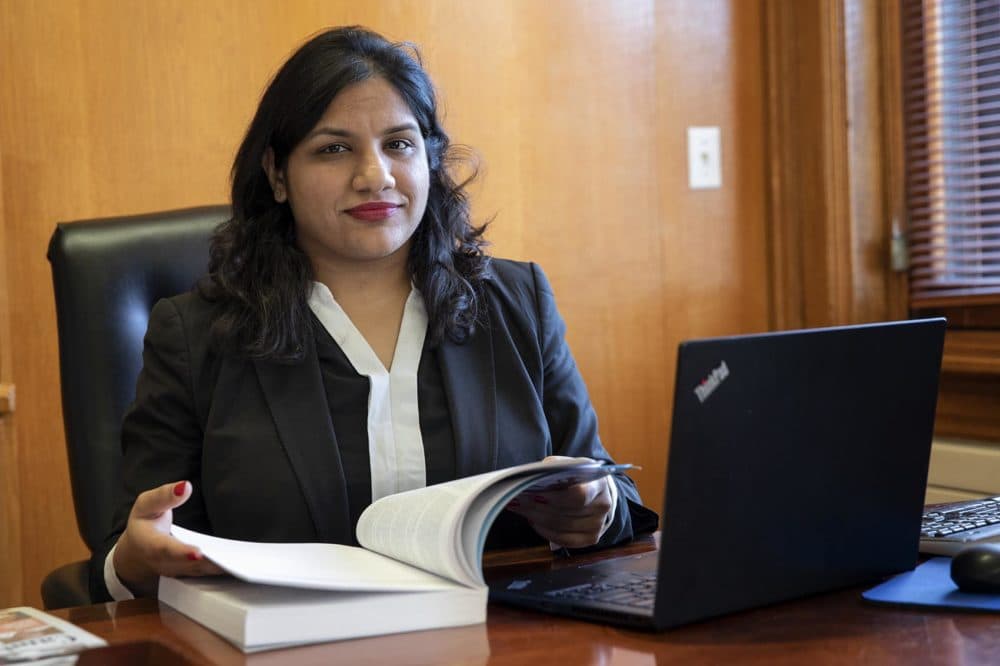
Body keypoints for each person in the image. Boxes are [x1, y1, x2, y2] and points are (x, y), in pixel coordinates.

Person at [92, 26, 656, 602]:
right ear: (277, 174)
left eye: (399, 144)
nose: (375, 176)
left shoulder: (518, 304)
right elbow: (125, 556)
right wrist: (138, 556)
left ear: (430, 160)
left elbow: (612, 497)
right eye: (334, 148)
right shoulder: (194, 335)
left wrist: (597, 512)